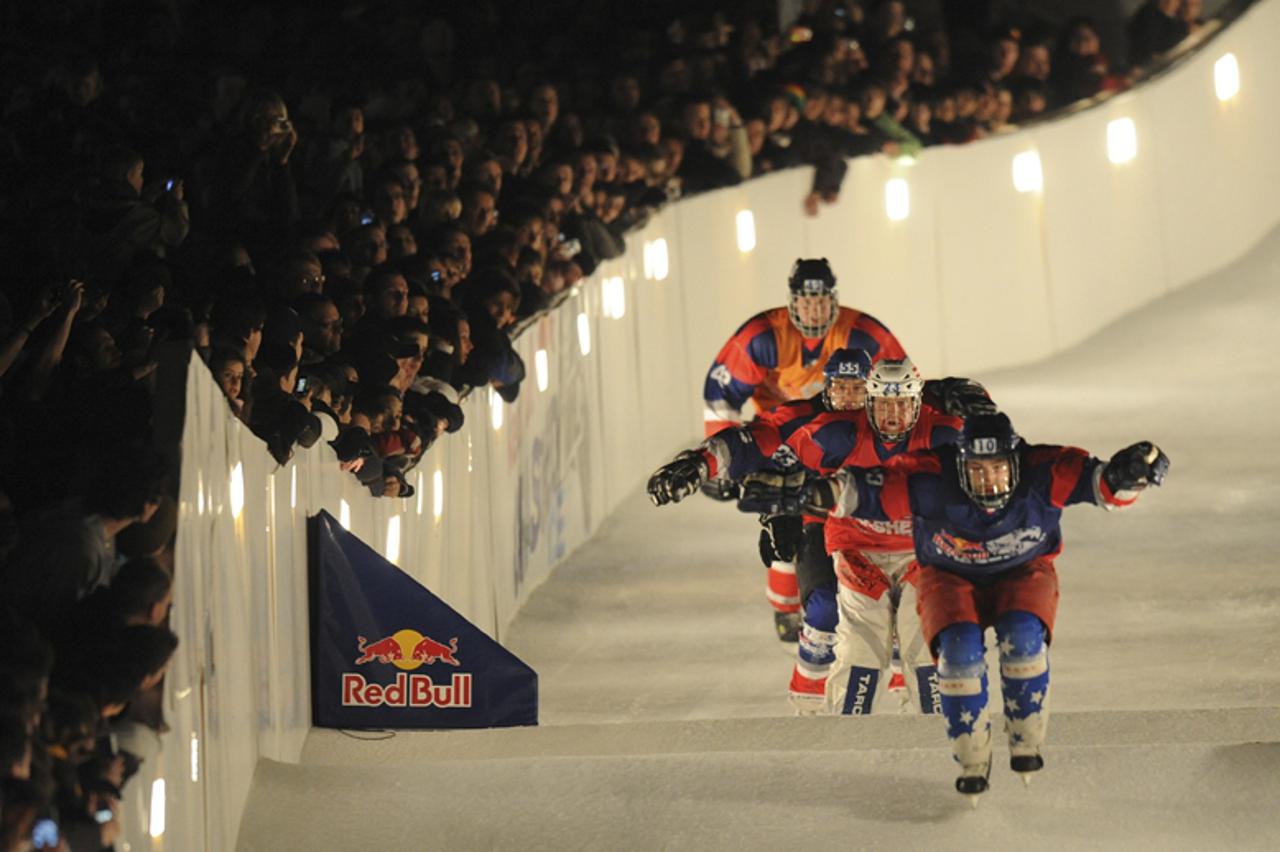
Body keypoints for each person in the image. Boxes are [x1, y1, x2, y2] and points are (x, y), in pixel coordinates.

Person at [804, 412, 1169, 798]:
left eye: (997, 469)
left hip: (1022, 571)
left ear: (1015, 463)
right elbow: (870, 491)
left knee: (1023, 638)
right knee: (958, 652)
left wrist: (1128, 474)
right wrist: (819, 493)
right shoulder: (931, 476)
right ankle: (971, 753)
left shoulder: (1043, 469)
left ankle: (1027, 736)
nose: (989, 481)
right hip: (948, 575)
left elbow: (1101, 486)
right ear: (959, 467)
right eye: (977, 471)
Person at [649, 348, 872, 641]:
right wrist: (700, 463)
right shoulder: (798, 416)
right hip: (819, 521)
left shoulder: (895, 418)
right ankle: (788, 614)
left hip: (883, 528)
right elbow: (749, 440)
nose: (848, 397)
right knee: (822, 610)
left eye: (857, 388)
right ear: (827, 386)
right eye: (841, 387)